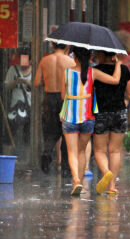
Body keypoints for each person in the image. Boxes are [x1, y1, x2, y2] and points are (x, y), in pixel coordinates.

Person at [60, 46, 121, 196]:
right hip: (87, 117)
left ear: (75, 57)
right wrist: (118, 63)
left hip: (69, 116)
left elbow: (63, 96)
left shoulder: (66, 73)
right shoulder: (93, 73)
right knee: (81, 151)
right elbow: (115, 80)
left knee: (72, 152)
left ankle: (76, 181)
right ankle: (78, 182)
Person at [93, 51, 130, 195]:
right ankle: (111, 187)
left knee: (99, 151)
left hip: (101, 113)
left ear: (102, 54)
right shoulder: (123, 69)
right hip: (120, 113)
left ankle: (106, 172)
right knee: (115, 150)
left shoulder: (95, 70)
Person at [34, 43, 75, 175]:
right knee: (66, 132)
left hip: (49, 97)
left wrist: (49, 80)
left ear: (52, 45)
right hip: (65, 98)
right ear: (67, 46)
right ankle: (65, 167)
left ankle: (47, 153)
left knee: (50, 131)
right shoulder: (70, 61)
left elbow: (36, 82)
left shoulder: (45, 60)